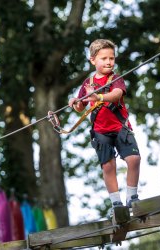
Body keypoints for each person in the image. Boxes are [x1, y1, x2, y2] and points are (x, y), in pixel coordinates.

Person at [68, 39, 141, 216]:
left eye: (111, 58)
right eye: (104, 58)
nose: (109, 62)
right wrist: (74, 103)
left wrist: (98, 97)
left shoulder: (115, 79)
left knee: (134, 159)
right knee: (108, 167)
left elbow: (116, 95)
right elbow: (81, 107)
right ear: (93, 60)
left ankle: (132, 197)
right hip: (100, 130)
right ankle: (116, 202)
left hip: (120, 127)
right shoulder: (88, 83)